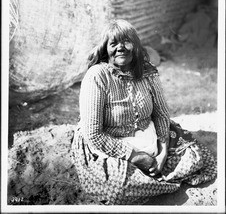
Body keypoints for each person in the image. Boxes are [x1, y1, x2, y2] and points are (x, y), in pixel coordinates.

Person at [71, 19, 217, 205]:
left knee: (196, 158)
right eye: (113, 43)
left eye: (126, 41)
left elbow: (161, 114)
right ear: (105, 49)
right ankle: (155, 179)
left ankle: (157, 174)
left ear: (136, 45)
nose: (120, 48)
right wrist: (138, 157)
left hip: (148, 135)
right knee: (119, 188)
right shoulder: (97, 76)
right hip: (109, 141)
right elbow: (94, 134)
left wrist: (163, 152)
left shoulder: (147, 72)